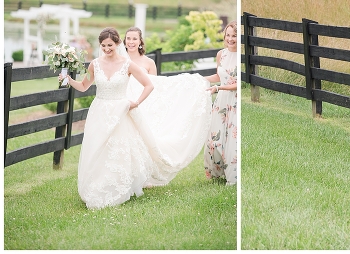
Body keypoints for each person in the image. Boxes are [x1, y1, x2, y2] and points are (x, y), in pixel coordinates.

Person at [61, 27, 156, 209]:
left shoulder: (128, 64)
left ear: (118, 43)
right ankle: (96, 185)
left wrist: (136, 102)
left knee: (116, 149)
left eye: (110, 45)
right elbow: (83, 86)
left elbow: (149, 85)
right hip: (99, 111)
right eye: (103, 45)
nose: (106, 49)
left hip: (120, 112)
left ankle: (118, 185)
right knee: (98, 148)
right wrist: (67, 79)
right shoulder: (94, 64)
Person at [121, 26, 212, 186]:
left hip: (142, 105)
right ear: (124, 40)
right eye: (128, 38)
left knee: (143, 138)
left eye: (134, 38)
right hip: (124, 102)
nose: (131, 42)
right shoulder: (120, 60)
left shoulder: (148, 62)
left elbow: (157, 86)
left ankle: (143, 175)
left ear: (140, 41)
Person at [203, 21, 238, 185]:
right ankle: (218, 171)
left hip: (235, 101)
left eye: (235, 36)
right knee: (214, 138)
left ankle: (234, 175)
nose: (230, 39)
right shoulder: (221, 54)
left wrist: (219, 88)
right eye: (228, 35)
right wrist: (202, 80)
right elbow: (219, 76)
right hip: (221, 100)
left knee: (232, 139)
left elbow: (238, 83)